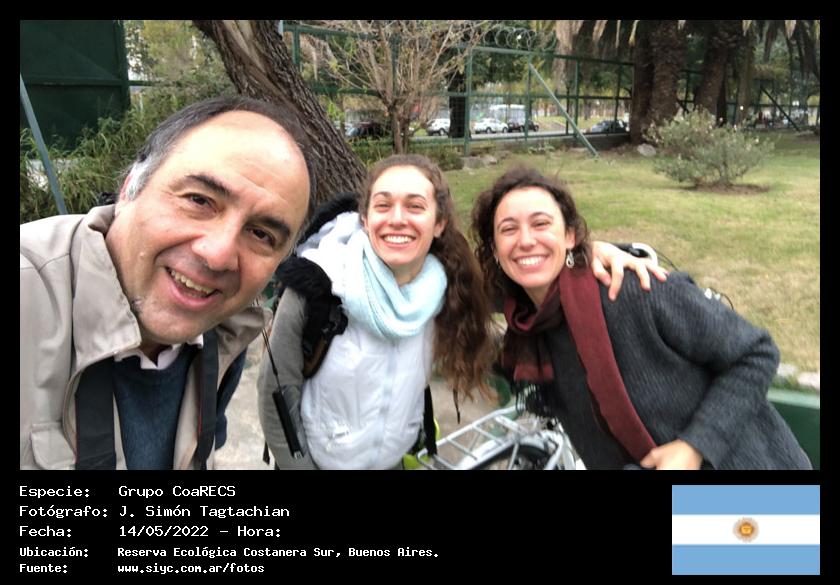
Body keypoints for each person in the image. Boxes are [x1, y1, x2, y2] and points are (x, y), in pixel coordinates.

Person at [258, 154, 664, 470]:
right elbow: (275, 392)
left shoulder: (447, 285)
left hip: (398, 459)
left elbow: (530, 274)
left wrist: (589, 252)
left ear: (438, 223)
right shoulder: (318, 285)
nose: (397, 219)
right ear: (365, 219)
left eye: (415, 206)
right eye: (383, 205)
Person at [20, 96, 313, 470]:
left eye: (260, 234)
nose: (218, 255)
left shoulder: (226, 331)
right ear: (130, 188)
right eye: (199, 200)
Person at [471, 167, 811, 470]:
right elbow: (454, 282)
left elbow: (755, 353)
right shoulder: (528, 324)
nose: (526, 240)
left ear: (570, 235)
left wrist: (694, 446)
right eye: (508, 229)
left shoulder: (636, 290)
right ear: (495, 249)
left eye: (541, 224)